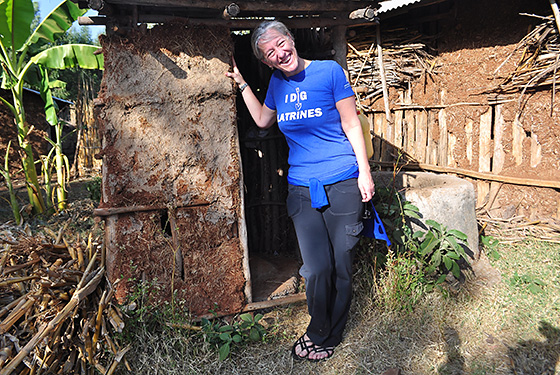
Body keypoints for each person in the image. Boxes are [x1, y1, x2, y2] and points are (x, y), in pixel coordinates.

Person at [226, 20, 374, 361]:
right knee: (316, 268)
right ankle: (320, 329)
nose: (280, 53)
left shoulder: (329, 72)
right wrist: (243, 83)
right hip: (302, 188)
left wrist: (364, 172)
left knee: (341, 265)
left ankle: (325, 334)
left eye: (281, 43)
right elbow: (263, 120)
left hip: (342, 181)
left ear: (291, 39)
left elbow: (352, 124)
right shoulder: (277, 82)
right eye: (270, 52)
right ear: (266, 61)